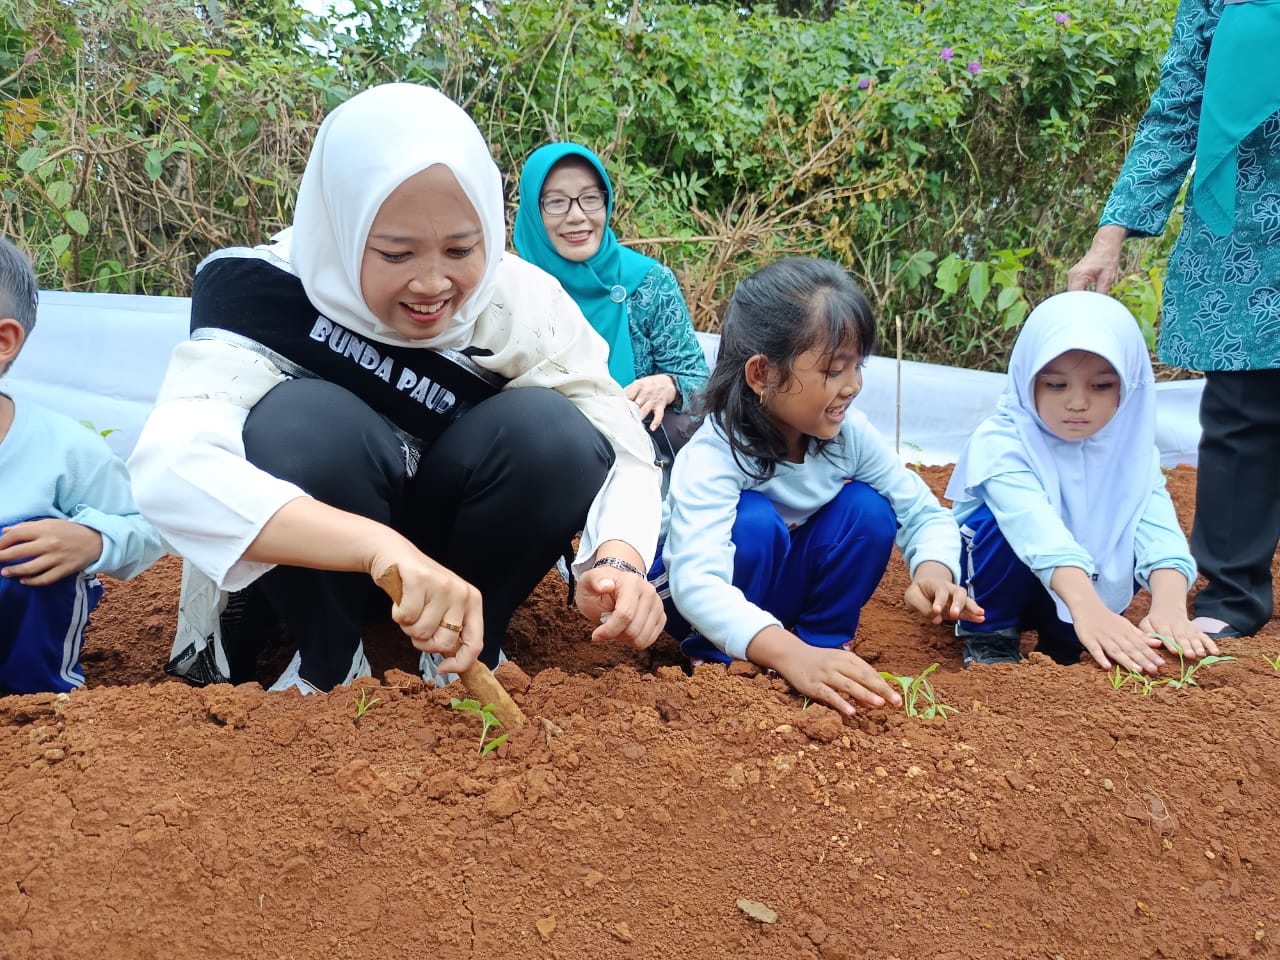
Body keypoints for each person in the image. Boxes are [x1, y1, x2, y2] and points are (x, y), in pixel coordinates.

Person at [128, 83, 666, 695]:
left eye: (462, 248)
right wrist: (373, 545)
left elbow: (616, 430)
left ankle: (469, 647)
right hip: (321, 557)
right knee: (303, 422)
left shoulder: (518, 302)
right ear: (340, 230)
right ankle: (329, 660)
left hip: (454, 545)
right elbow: (171, 467)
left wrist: (618, 557)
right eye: (395, 253)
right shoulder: (266, 295)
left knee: (555, 433)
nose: (433, 283)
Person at [653, 258, 983, 716]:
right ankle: (721, 663)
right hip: (690, 600)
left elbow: (922, 512)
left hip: (774, 585)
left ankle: (822, 647)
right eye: (834, 370)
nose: (853, 386)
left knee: (868, 510)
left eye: (858, 367)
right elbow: (696, 582)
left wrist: (933, 571)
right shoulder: (714, 453)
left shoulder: (849, 436)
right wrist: (790, 656)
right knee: (752, 523)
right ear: (762, 375)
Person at [1068, 0, 1280, 641]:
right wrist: (1112, 235)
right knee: (1243, 410)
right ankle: (1235, 592)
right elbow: (1178, 105)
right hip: (1247, 224)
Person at [945, 291, 1218, 672]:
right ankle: (991, 633)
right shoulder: (1001, 442)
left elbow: (1158, 532)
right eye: (1057, 385)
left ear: (1129, 386)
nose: (1077, 403)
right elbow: (1036, 532)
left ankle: (1067, 637)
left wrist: (1169, 609)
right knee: (994, 523)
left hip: (1080, 593)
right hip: (1002, 584)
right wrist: (1088, 607)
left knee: (1129, 521)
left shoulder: (1131, 448)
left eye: (1101, 386)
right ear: (1028, 382)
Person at [0, 236, 164, 694]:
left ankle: (37, 706)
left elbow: (149, 523)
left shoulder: (62, 448)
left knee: (27, 547)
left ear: (3, 341)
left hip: (17, 655)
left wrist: (92, 539)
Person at [513, 142, 709, 458]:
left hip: (637, 453)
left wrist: (670, 385)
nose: (577, 216)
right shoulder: (511, 288)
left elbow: (702, 383)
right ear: (532, 211)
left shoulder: (647, 282)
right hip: (542, 458)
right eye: (556, 202)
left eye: (590, 199)